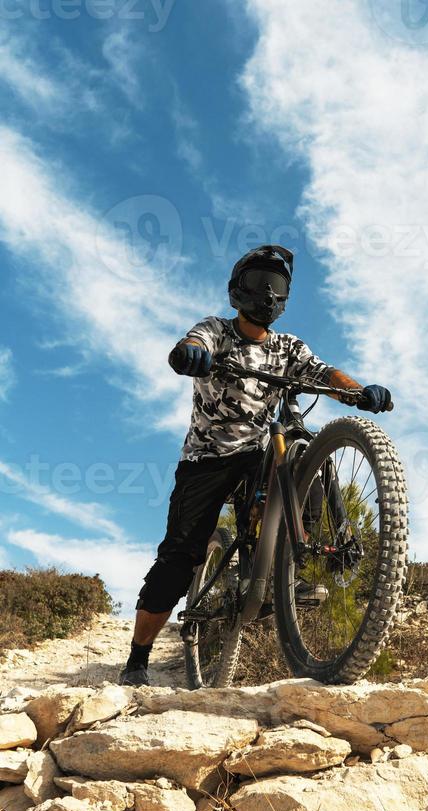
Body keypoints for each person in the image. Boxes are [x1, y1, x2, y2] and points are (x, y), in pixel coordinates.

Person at [119, 245, 393, 686]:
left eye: (278, 286)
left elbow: (324, 373)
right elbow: (194, 343)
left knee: (299, 455)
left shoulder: (288, 347)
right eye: (259, 283)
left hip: (260, 451)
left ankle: (288, 565)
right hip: (207, 458)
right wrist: (189, 354)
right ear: (237, 291)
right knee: (179, 558)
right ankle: (137, 659)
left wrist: (359, 392)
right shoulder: (217, 330)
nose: (268, 294)